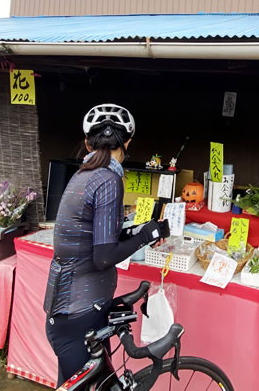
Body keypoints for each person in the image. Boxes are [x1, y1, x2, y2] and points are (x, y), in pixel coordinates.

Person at [43, 103, 169, 385]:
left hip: (68, 307)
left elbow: (96, 237)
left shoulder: (83, 174)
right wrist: (147, 236)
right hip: (81, 308)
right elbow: (103, 256)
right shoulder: (110, 179)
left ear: (88, 142)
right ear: (127, 142)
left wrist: (139, 230)